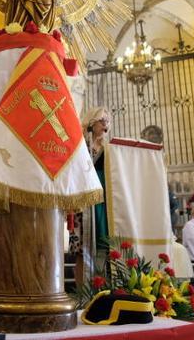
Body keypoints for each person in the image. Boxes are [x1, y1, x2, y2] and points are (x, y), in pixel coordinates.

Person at [69, 107, 111, 287]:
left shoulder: (109, 147)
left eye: (107, 122)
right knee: (81, 250)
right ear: (92, 123)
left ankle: (101, 289)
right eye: (102, 121)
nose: (105, 125)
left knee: (103, 247)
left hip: (103, 201)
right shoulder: (80, 144)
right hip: (83, 199)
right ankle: (82, 293)